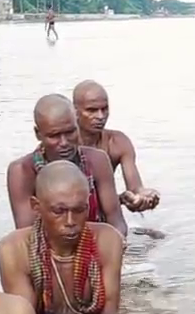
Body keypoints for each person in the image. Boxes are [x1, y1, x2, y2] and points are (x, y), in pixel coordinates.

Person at [0, 161, 129, 314]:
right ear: (36, 207)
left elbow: (109, 311)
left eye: (79, 210)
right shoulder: (14, 249)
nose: (70, 222)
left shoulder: (108, 240)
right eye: (59, 211)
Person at [7, 94, 128, 237]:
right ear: (38, 134)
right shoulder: (23, 171)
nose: (64, 143)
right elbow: (26, 234)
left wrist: (115, 245)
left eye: (70, 132)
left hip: (95, 245)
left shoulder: (97, 160)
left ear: (78, 124)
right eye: (54, 136)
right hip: (46, 251)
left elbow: (116, 221)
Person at [72, 80, 161, 212]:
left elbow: (135, 188)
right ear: (75, 111)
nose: (100, 116)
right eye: (92, 110)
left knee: (157, 233)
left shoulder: (118, 143)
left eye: (104, 109)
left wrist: (142, 197)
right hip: (69, 216)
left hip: (104, 215)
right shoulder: (63, 146)